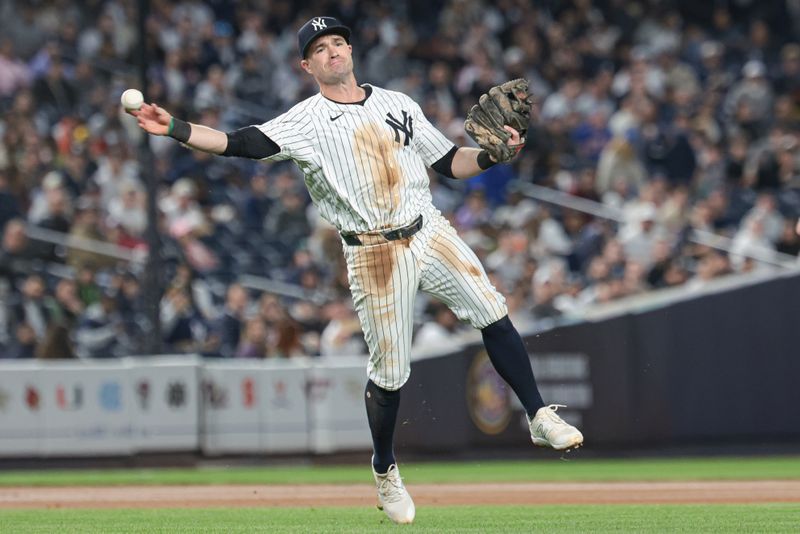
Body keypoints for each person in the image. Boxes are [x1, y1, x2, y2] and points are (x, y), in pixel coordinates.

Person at [130, 16, 582, 525]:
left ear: (351, 49)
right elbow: (241, 143)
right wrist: (174, 128)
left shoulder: (398, 103)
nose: (333, 51)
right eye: (320, 48)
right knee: (391, 374)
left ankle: (539, 414)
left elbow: (450, 161)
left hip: (426, 227)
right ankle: (385, 470)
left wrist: (495, 156)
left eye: (339, 41)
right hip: (372, 251)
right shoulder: (305, 119)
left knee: (492, 312)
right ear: (307, 65)